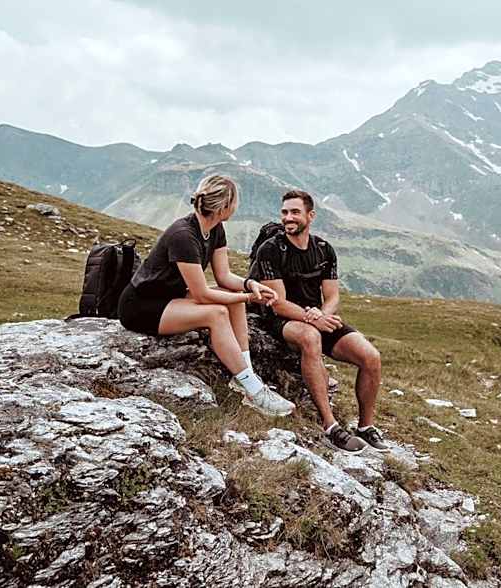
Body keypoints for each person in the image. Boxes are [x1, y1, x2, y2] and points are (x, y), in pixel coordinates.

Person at [118, 174, 295, 417]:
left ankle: (246, 376)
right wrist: (248, 299)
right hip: (142, 306)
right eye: (235, 202)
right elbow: (201, 295)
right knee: (217, 313)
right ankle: (255, 391)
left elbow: (224, 277)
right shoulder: (183, 235)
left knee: (232, 296)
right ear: (223, 206)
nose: (236, 207)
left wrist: (249, 285)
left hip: (171, 298)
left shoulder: (215, 228)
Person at [253, 189, 389, 453]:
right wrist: (311, 318)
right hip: (282, 319)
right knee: (310, 337)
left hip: (317, 317)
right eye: (284, 212)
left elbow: (333, 295)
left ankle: (366, 427)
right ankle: (330, 425)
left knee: (371, 357)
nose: (288, 218)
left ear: (310, 216)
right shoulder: (270, 249)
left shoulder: (324, 250)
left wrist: (323, 315)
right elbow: (277, 303)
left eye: (295, 212)